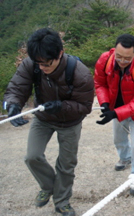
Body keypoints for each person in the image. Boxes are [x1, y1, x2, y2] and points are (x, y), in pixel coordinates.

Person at [3, 28, 94, 216]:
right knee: (32, 156)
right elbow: (17, 87)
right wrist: (13, 106)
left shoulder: (80, 73)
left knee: (66, 164)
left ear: (60, 53)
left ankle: (62, 201)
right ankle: (48, 186)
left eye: (47, 63)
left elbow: (84, 106)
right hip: (43, 118)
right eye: (39, 63)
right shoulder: (32, 64)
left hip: (70, 122)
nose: (42, 67)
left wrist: (61, 106)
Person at [94, 33, 134, 196]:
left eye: (127, 58)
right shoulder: (105, 60)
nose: (122, 61)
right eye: (118, 56)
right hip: (116, 109)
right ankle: (125, 158)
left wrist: (115, 114)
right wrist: (105, 103)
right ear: (114, 50)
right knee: (118, 139)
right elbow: (99, 83)